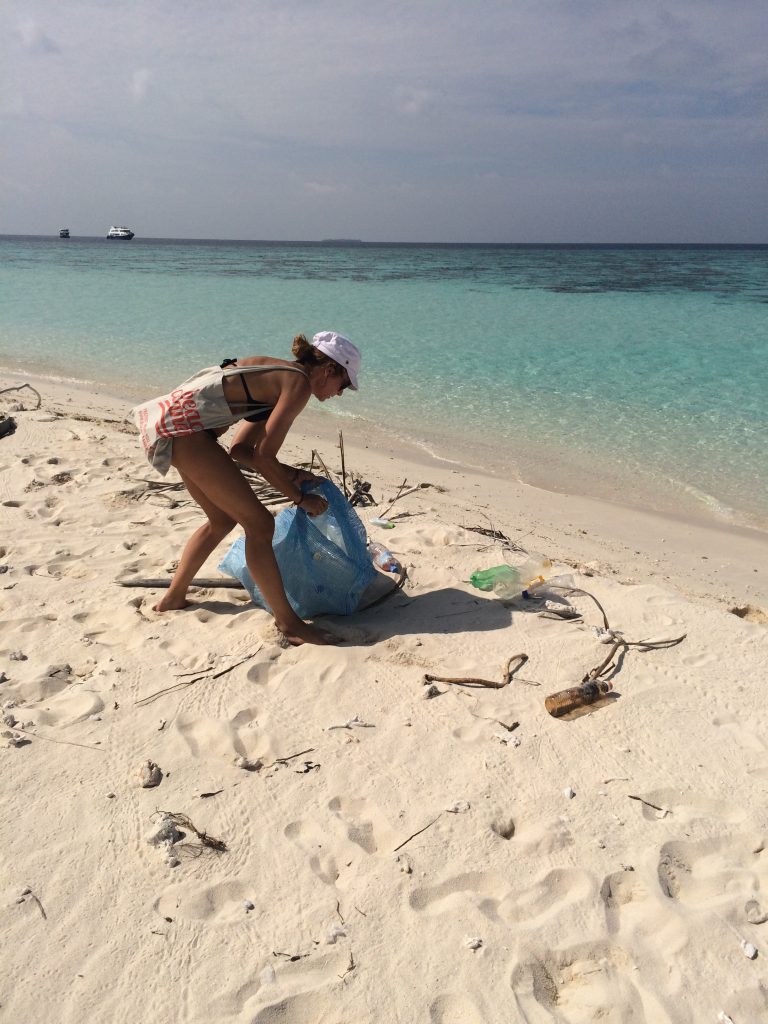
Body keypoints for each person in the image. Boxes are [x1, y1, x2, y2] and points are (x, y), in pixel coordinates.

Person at [131, 330, 361, 646]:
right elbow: (264, 457)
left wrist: (293, 474)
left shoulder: (280, 374)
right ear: (329, 369)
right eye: (344, 384)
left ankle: (173, 597)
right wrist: (300, 498)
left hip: (172, 427)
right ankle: (289, 623)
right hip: (185, 433)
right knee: (261, 525)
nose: (340, 393)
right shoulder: (297, 385)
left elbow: (241, 450)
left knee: (222, 520)